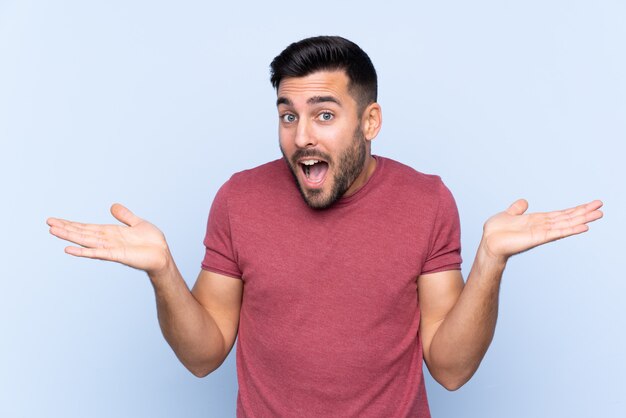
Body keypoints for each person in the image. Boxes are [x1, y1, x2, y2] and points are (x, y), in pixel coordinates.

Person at [47, 36, 603, 417]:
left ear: (371, 121)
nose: (302, 135)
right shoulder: (239, 198)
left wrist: (489, 264)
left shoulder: (427, 200)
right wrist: (163, 272)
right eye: (288, 115)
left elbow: (451, 371)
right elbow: (203, 355)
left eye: (324, 114)